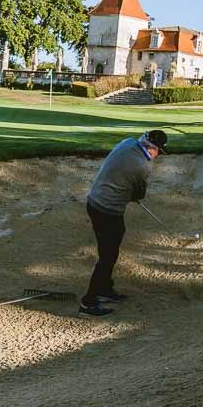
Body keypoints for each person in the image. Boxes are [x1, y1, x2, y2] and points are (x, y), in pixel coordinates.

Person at [80, 129, 169, 317]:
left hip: (94, 202)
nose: (158, 156)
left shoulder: (127, 142)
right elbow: (139, 195)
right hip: (107, 210)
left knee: (113, 244)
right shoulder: (142, 166)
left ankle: (104, 289)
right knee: (108, 256)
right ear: (152, 149)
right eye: (159, 152)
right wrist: (131, 191)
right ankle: (88, 303)